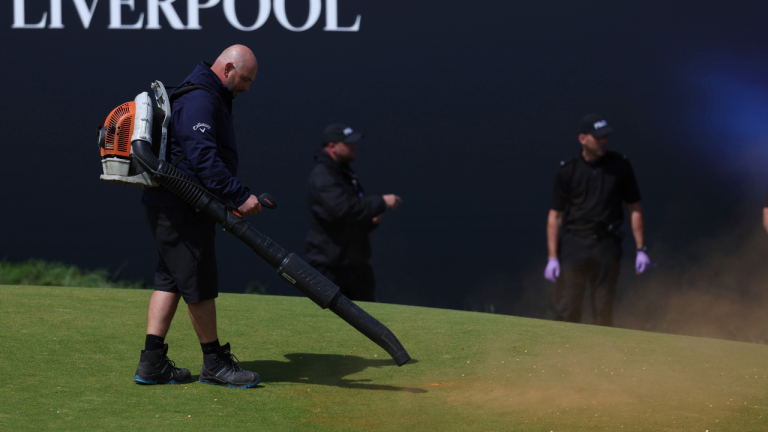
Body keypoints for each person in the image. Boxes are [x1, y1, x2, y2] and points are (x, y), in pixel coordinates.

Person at [135, 45, 263, 388]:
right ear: (228, 69)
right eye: (246, 79)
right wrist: (239, 196)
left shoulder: (204, 93)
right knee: (199, 281)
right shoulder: (200, 99)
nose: (247, 87)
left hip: (170, 205)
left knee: (171, 279)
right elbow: (203, 157)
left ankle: (152, 363)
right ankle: (215, 363)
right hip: (182, 207)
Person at [544, 114, 651, 326]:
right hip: (575, 246)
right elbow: (555, 215)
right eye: (598, 137)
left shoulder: (620, 166)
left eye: (606, 137)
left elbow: (634, 207)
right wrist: (553, 257)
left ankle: (602, 358)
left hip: (607, 244)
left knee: (603, 311)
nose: (604, 141)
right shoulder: (568, 170)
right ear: (582, 139)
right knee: (568, 309)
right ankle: (562, 356)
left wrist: (641, 250)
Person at [305, 124, 402, 302]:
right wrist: (381, 201)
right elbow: (343, 210)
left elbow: (348, 219)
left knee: (368, 325)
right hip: (330, 269)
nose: (354, 146)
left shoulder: (344, 174)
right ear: (332, 146)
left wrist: (370, 222)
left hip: (355, 267)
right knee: (327, 325)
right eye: (348, 143)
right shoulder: (323, 176)